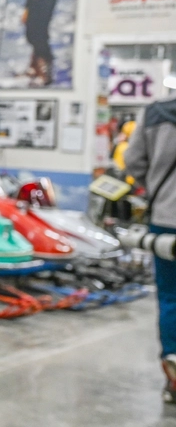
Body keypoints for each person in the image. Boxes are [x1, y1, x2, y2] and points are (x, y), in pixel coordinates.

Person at [124, 96, 176, 402]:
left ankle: (173, 372)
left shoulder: (155, 113)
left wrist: (157, 185)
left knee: (170, 296)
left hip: (166, 219)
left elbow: (133, 161)